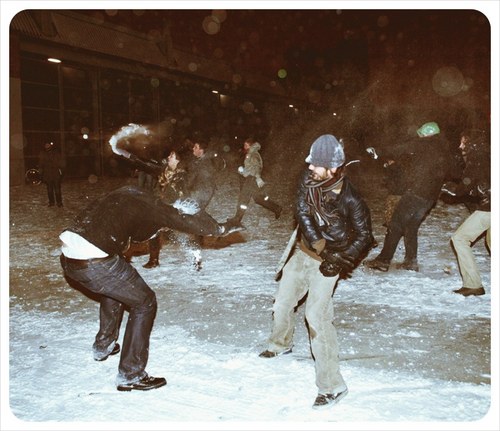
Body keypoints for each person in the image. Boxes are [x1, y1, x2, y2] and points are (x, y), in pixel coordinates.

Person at [59, 184, 235, 392]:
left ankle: (103, 346)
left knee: (113, 288)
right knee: (144, 302)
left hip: (69, 257)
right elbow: (179, 220)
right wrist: (219, 229)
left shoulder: (122, 193)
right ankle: (131, 374)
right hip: (95, 261)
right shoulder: (153, 206)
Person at [259, 134, 374, 409]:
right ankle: (281, 342)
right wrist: (319, 244)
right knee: (282, 302)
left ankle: (333, 385)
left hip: (330, 260)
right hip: (304, 252)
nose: (309, 167)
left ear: (332, 168)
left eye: (316, 164)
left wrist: (340, 258)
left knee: (317, 317)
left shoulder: (351, 199)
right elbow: (302, 211)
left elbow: (365, 236)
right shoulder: (308, 181)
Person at [363, 121, 463, 272]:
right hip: (430, 197)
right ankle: (410, 261)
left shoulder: (423, 144)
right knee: (411, 225)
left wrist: (378, 151)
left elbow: (400, 149)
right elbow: (455, 172)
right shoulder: (444, 149)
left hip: (417, 193)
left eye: (422, 134)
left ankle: (383, 260)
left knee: (395, 223)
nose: (420, 136)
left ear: (427, 134)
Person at [443, 130, 491, 296]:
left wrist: (453, 190)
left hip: (489, 209)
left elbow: (468, 182)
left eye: (463, 143)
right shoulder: (489, 155)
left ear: (472, 144)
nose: (460, 146)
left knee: (460, 238)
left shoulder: (477, 159)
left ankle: (473, 284)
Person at [226, 137, 282, 225]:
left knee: (243, 199)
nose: (244, 146)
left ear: (251, 145)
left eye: (246, 145)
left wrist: (256, 177)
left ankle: (237, 219)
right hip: (251, 178)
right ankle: (276, 208)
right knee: (258, 198)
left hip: (251, 178)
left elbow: (257, 167)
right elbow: (251, 167)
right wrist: (244, 171)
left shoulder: (253, 154)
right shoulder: (250, 153)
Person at [38, 142, 65, 207]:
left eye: (48, 144)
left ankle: (59, 202)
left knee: (57, 189)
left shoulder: (56, 153)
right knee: (50, 190)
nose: (47, 146)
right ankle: (52, 202)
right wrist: (40, 172)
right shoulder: (43, 153)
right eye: (46, 145)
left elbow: (61, 163)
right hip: (48, 174)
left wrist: (61, 170)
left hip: (55, 174)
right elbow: (41, 164)